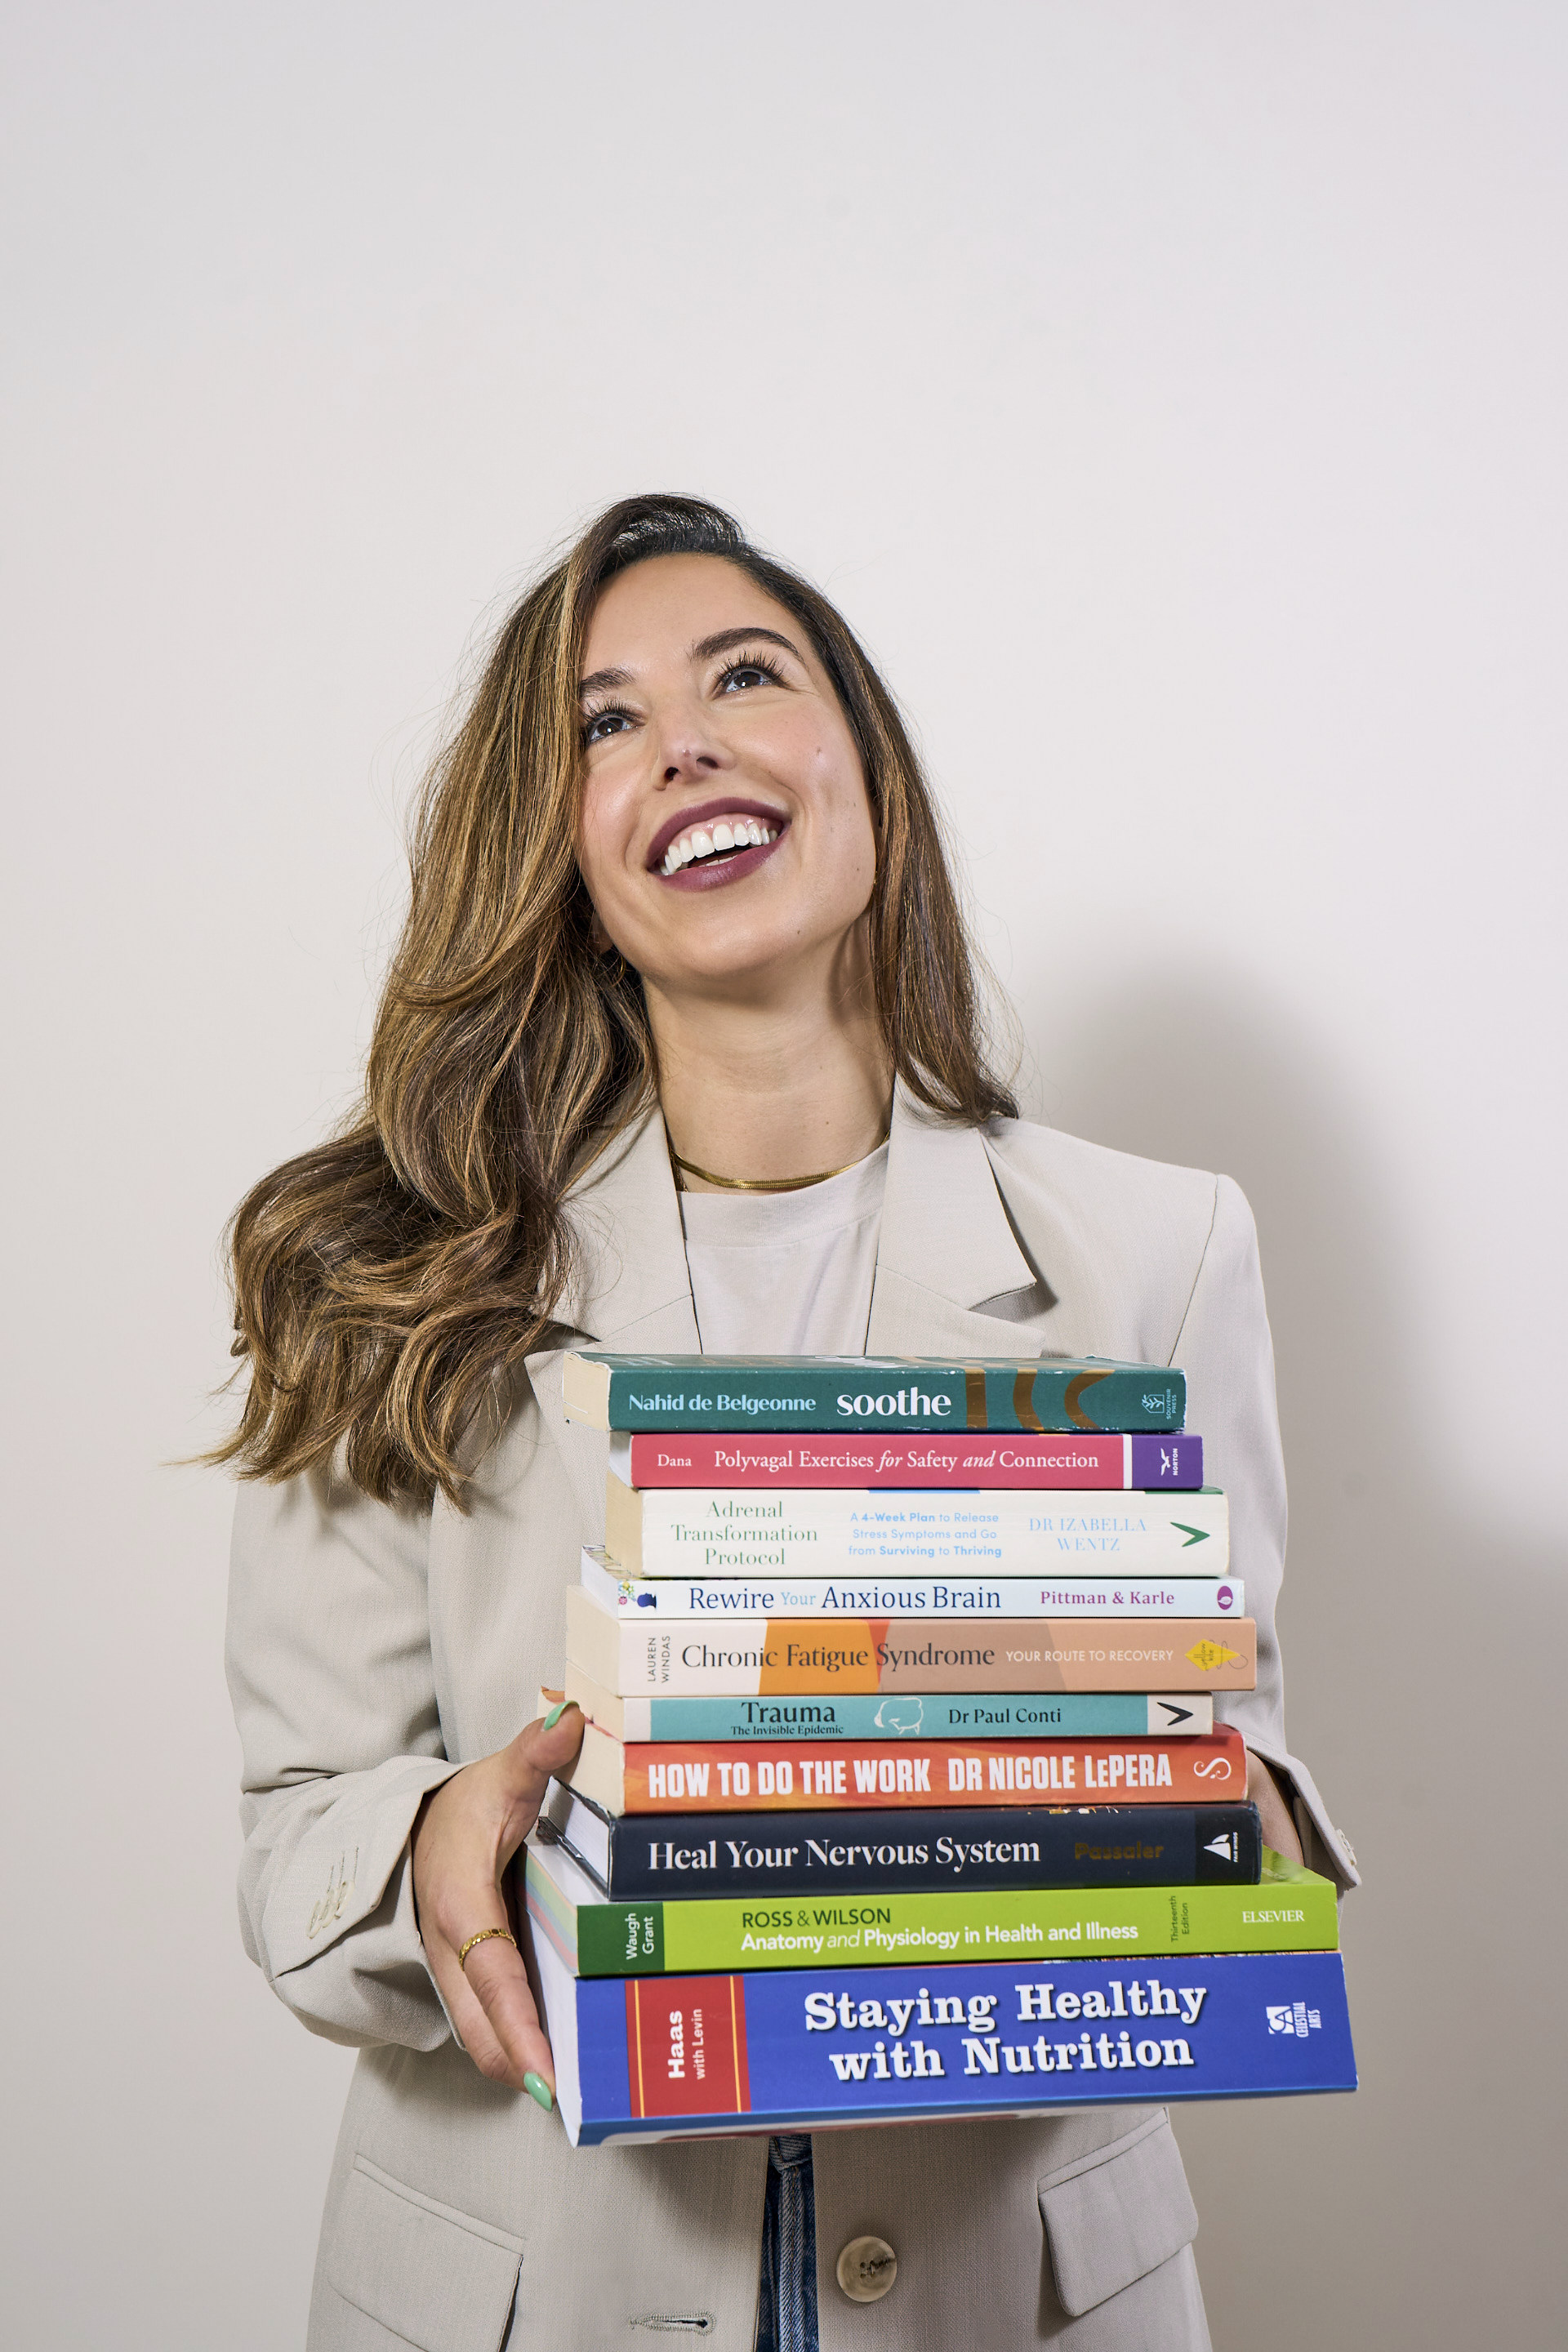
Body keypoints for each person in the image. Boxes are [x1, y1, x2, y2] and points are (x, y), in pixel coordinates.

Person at [220, 492, 1356, 2351]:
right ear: (561, 846)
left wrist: (1218, 1823)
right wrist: (434, 1839)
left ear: (866, 769)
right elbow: (294, 1839)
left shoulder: (1162, 1248)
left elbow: (1235, 1734)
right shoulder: (388, 1276)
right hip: (533, 2277)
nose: (684, 738)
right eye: (604, 722)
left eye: (745, 674)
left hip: (1020, 2274)